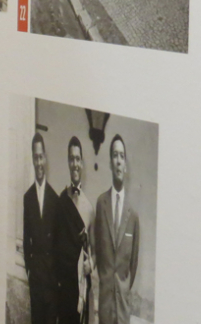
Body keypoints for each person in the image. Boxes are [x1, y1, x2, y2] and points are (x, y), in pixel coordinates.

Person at [93, 135, 140, 324]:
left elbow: (133, 266)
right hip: (105, 306)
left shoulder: (133, 215)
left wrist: (122, 288)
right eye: (115, 155)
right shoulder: (101, 204)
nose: (118, 161)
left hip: (123, 310)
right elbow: (98, 252)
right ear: (110, 164)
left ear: (125, 165)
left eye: (122, 156)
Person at [55, 137, 97, 324]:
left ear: (82, 163)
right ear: (68, 162)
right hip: (62, 287)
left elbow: (95, 252)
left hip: (79, 287)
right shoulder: (61, 201)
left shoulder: (89, 208)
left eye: (77, 159)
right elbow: (55, 245)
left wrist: (91, 265)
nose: (75, 164)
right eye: (71, 159)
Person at [24, 132, 59, 324]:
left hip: (51, 282)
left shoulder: (54, 199)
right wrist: (30, 270)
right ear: (32, 159)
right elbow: (26, 239)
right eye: (35, 158)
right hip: (36, 281)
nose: (38, 162)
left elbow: (58, 243)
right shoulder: (27, 198)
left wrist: (55, 277)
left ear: (45, 158)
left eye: (41, 157)